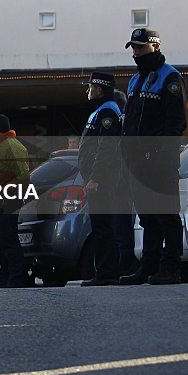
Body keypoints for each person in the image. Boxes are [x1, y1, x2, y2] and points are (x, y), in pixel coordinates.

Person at [118, 28, 188, 285]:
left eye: (140, 48)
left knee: (166, 215)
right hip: (137, 161)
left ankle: (171, 267)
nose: (136, 53)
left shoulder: (170, 77)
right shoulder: (136, 80)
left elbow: (176, 123)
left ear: (155, 47)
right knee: (147, 216)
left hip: (159, 161)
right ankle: (148, 266)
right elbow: (131, 121)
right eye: (133, 48)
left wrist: (161, 155)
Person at [77, 71, 124, 286]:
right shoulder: (101, 110)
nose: (88, 91)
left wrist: (95, 178)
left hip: (103, 180)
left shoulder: (107, 112)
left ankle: (106, 273)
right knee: (101, 226)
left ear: (99, 88)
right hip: (98, 179)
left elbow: (106, 148)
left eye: (90, 87)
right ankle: (105, 271)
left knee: (103, 227)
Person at [0, 114, 31, 287]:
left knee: (8, 241)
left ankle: (16, 278)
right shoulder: (1, 146)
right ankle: (5, 278)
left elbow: (24, 174)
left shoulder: (12, 146)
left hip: (6, 203)